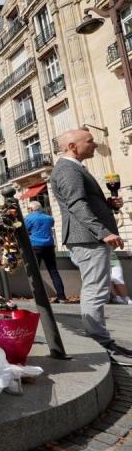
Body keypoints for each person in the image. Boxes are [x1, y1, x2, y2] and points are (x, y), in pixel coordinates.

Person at [50, 128, 131, 363]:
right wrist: (102, 232)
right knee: (95, 290)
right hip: (86, 237)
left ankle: (99, 338)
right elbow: (76, 204)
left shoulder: (74, 168)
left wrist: (108, 205)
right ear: (73, 146)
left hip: (87, 236)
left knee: (96, 288)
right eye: (90, 141)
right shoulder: (67, 169)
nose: (94, 145)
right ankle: (100, 341)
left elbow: (82, 202)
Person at [24, 201, 68, 303]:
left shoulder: (28, 218)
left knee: (35, 272)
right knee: (53, 272)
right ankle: (62, 297)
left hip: (35, 247)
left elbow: (25, 230)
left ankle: (39, 298)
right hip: (49, 246)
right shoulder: (49, 218)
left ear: (30, 209)